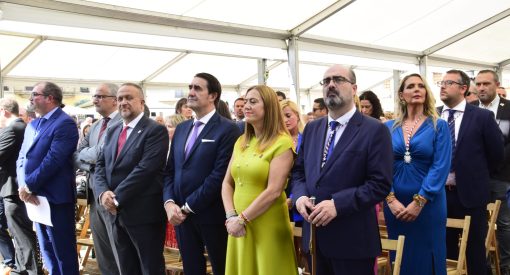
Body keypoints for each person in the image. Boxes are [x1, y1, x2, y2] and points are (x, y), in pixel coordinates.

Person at [291, 65, 393, 275]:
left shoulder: (375, 130)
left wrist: (338, 204)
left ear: (354, 88)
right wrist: (300, 197)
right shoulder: (312, 128)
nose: (331, 85)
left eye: (338, 80)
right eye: (326, 81)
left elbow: (379, 184)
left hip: (352, 241)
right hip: (315, 240)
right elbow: (299, 172)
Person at [164, 72, 241, 275]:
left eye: (197, 88)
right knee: (191, 269)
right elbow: (170, 170)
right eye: (190, 87)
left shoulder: (228, 129)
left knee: (222, 268)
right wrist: (169, 203)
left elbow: (220, 176)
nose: (191, 92)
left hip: (211, 214)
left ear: (213, 95)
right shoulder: (181, 128)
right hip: (180, 216)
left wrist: (188, 207)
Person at [94, 83, 168, 275]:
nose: (123, 102)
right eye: (119, 99)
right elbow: (100, 165)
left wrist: (115, 198)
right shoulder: (112, 130)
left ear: (142, 103)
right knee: (126, 268)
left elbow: (145, 170)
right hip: (114, 214)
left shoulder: (155, 130)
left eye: (129, 98)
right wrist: (103, 193)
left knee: (149, 268)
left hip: (143, 214)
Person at [221, 85, 297, 274]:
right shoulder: (241, 141)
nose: (246, 106)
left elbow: (274, 191)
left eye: (253, 102)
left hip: (266, 224)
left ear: (269, 107)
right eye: (245, 101)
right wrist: (231, 216)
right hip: (238, 225)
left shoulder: (282, 142)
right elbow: (227, 183)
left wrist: (243, 218)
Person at [384, 73, 451, 275]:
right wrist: (390, 199)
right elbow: (380, 167)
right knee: (401, 259)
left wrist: (419, 201)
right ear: (401, 95)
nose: (416, 89)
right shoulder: (387, 127)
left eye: (421, 86)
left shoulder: (439, 125)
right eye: (411, 86)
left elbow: (440, 167)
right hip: (395, 205)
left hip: (428, 206)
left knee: (428, 258)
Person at [438, 70, 504, 274]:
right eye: (441, 82)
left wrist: (475, 175)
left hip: (471, 195)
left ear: (463, 88)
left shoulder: (482, 116)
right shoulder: (433, 115)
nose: (442, 86)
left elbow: (496, 154)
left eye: (448, 82)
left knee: (474, 254)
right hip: (438, 196)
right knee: (446, 252)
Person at [16, 82, 79, 275]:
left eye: (35, 94)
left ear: (50, 98)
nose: (30, 99)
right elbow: (22, 158)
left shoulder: (64, 123)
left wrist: (29, 186)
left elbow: (54, 160)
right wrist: (23, 186)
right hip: (35, 199)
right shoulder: (33, 124)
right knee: (47, 251)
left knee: (62, 252)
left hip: (55, 199)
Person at [74, 83, 121, 275]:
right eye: (94, 96)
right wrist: (93, 161)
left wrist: (92, 157)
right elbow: (76, 156)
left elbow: (107, 153)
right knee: (103, 252)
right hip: (94, 197)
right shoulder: (95, 126)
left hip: (113, 196)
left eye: (100, 96)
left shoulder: (122, 123)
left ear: (114, 100)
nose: (95, 100)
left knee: (119, 250)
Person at [0, 98, 44, 275]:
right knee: (19, 233)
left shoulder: (14, 128)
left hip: (13, 189)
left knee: (21, 233)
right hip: (15, 188)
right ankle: (23, 267)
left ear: (3, 110)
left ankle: (31, 270)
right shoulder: (20, 127)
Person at [475, 69, 510, 274]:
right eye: (478, 84)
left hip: (503, 176)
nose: (481, 88)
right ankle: (482, 265)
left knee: (504, 223)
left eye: (486, 84)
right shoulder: (469, 109)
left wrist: (493, 159)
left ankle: (506, 267)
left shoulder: (509, 109)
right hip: (476, 178)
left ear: (496, 85)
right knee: (478, 223)